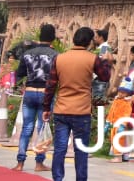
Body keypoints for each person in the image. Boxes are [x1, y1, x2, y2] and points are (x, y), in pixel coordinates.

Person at [43, 26, 112, 181]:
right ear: (89, 42)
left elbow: (51, 85)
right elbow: (104, 77)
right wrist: (107, 62)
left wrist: (46, 107)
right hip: (81, 111)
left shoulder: (60, 58)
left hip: (62, 109)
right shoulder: (92, 59)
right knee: (81, 150)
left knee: (59, 148)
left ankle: (58, 178)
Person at [16, 23, 59, 171]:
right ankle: (39, 163)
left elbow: (20, 73)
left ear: (40, 36)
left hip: (29, 92)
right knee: (42, 128)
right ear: (53, 38)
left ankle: (20, 162)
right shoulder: (55, 55)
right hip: (45, 94)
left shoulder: (27, 53)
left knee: (26, 128)